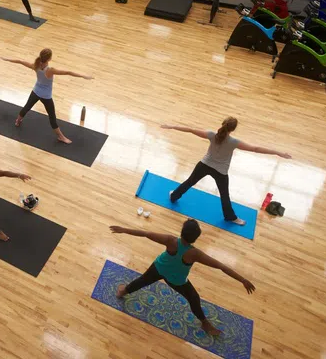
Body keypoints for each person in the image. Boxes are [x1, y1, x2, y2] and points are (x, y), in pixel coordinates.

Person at [110, 219, 256, 336]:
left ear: (182, 232)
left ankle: (123, 291)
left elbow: (145, 233)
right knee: (194, 298)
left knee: (142, 281)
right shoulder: (195, 254)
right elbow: (221, 266)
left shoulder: (171, 240)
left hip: (159, 268)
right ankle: (205, 323)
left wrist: (123, 230)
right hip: (176, 280)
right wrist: (242, 279)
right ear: (195, 238)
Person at [162, 118, 292, 226]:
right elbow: (255, 148)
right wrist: (278, 153)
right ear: (232, 129)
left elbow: (190, 130)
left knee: (189, 182)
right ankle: (230, 217)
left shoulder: (212, 135)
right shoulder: (233, 142)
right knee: (224, 195)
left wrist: (171, 126)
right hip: (220, 171)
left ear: (223, 124)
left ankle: (174, 196)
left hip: (204, 165)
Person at [0, 49, 93, 144]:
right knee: (52, 116)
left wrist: (7, 59)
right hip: (46, 96)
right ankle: (61, 137)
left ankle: (18, 121)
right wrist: (83, 76)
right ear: (49, 58)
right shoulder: (50, 70)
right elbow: (68, 72)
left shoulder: (36, 65)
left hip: (35, 92)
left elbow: (20, 61)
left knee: (27, 107)